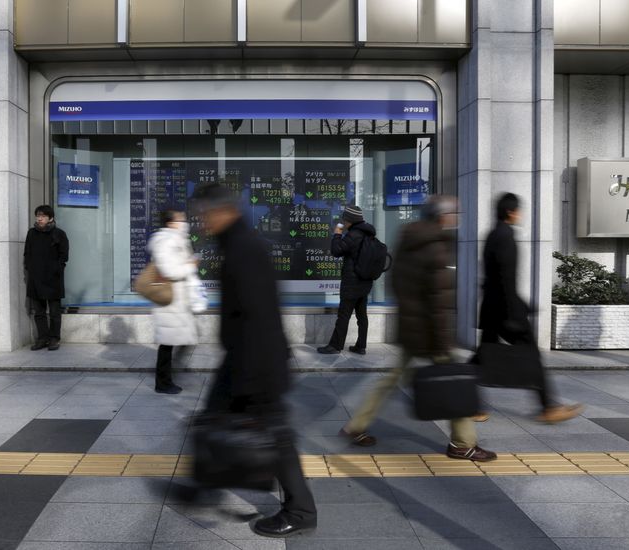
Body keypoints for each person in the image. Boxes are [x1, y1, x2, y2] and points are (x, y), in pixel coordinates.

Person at [192, 183, 317, 538]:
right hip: (247, 360)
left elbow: (257, 316)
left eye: (204, 216)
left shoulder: (243, 249)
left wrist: (249, 380)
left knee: (274, 438)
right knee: (219, 424)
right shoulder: (238, 244)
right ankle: (203, 486)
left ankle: (301, 510)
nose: (202, 224)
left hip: (255, 365)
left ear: (222, 211)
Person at [340, 196, 497, 461]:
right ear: (441, 216)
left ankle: (355, 425)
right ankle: (462, 443)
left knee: (390, 381)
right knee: (454, 384)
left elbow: (398, 285)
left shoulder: (409, 239)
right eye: (453, 212)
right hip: (429, 332)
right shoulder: (435, 246)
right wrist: (443, 339)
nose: (456, 217)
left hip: (412, 327)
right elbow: (438, 301)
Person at [479, 193, 583, 423]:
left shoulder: (492, 235)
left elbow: (492, 278)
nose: (520, 215)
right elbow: (506, 279)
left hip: (493, 309)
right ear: (510, 212)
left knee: (482, 359)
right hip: (506, 311)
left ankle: (468, 404)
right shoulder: (505, 236)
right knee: (532, 356)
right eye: (518, 210)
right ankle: (548, 407)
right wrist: (516, 312)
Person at [147, 209, 200, 394]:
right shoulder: (165, 241)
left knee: (178, 340)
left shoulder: (177, 239)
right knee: (168, 343)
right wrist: (190, 266)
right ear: (170, 223)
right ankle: (162, 382)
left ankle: (167, 376)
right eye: (180, 219)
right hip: (170, 299)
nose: (184, 222)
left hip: (178, 300)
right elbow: (170, 270)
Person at [317, 205, 376, 355]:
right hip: (364, 281)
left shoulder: (353, 235)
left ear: (351, 220)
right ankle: (361, 346)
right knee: (362, 315)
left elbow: (336, 251)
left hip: (352, 282)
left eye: (345, 219)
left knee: (343, 315)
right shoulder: (368, 233)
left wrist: (337, 234)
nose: (343, 222)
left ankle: (335, 346)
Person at [24, 205, 69, 351]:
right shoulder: (31, 233)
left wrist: (56, 269)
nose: (39, 218)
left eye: (43, 216)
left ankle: (54, 339)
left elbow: (64, 256)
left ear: (51, 218)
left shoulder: (59, 234)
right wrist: (30, 269)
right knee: (39, 312)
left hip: (53, 279)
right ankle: (42, 338)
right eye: (38, 216)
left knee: (55, 312)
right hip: (36, 279)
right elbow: (27, 254)